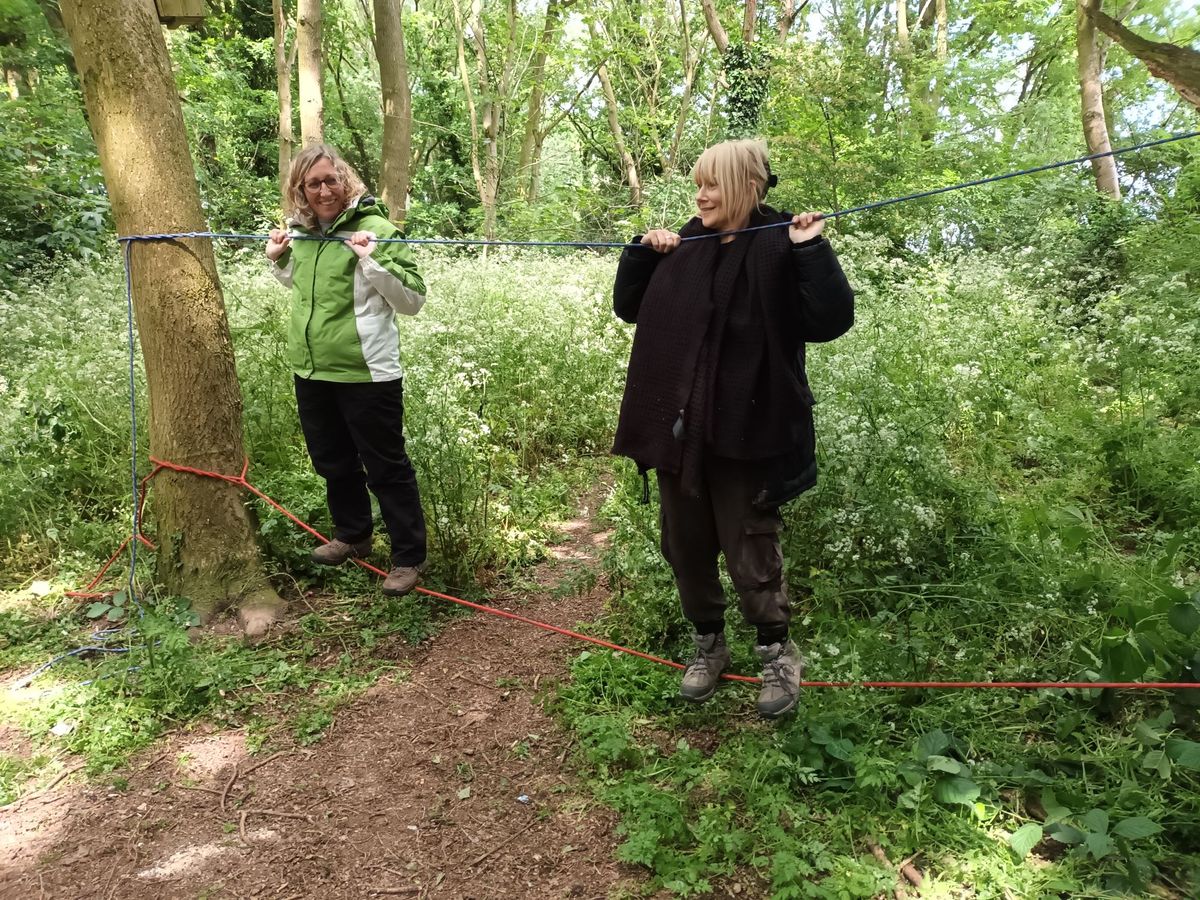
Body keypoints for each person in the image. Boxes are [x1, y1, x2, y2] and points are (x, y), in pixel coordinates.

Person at [611, 138, 854, 718]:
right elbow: (630, 306)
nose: (701, 194)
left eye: (713, 184)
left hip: (749, 432)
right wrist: (645, 253)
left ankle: (776, 652)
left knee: (750, 546)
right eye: (698, 182)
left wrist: (810, 250)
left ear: (747, 186)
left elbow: (830, 320)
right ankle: (709, 645)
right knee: (685, 544)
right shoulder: (684, 246)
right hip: (680, 429)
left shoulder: (780, 241)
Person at [265, 144, 428, 597]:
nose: (323, 190)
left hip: (367, 372)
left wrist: (370, 258)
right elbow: (306, 287)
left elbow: (413, 300)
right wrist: (279, 258)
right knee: (332, 462)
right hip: (312, 371)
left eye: (330, 180)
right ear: (301, 189)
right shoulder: (303, 233)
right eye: (312, 183)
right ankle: (353, 535)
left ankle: (408, 558)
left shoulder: (377, 228)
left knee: (385, 467)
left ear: (345, 181)